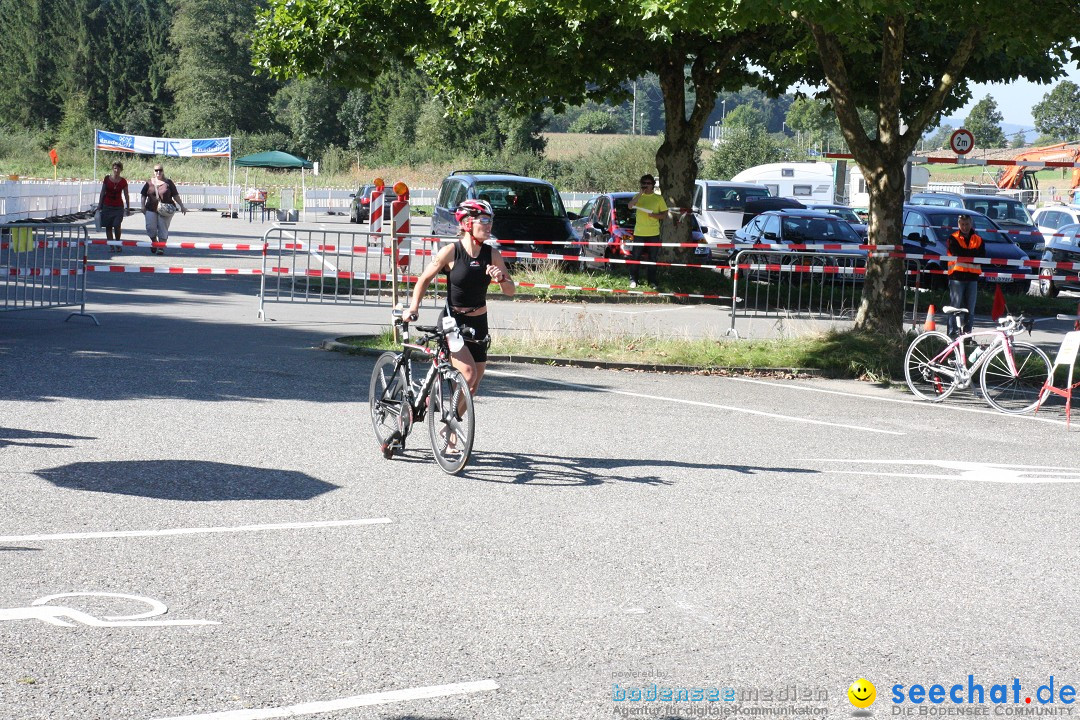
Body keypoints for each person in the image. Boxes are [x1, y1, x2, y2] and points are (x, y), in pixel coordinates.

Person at [404, 199, 514, 402]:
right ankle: (449, 423)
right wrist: (413, 307)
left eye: (490, 220)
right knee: (469, 375)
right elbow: (424, 279)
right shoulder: (451, 251)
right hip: (452, 321)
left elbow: (510, 291)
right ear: (466, 224)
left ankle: (448, 423)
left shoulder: (492, 254)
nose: (489, 225)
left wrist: (500, 278)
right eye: (483, 220)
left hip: (479, 323)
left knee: (473, 385)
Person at [946, 213, 985, 338]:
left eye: (967, 224)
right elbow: (957, 254)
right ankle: (952, 335)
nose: (965, 227)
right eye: (962, 224)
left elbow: (981, 256)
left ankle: (967, 336)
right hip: (957, 278)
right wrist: (972, 255)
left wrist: (966, 255)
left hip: (972, 278)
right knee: (954, 308)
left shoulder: (979, 239)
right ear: (958, 225)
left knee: (970, 309)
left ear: (971, 224)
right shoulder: (953, 238)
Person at [626, 173, 668, 288]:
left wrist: (654, 215)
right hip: (639, 232)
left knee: (652, 258)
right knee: (636, 257)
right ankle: (633, 280)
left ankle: (652, 281)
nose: (645, 185)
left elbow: (664, 215)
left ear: (653, 185)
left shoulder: (658, 198)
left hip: (653, 233)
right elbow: (630, 206)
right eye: (643, 183)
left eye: (648, 183)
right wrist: (640, 194)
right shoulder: (637, 196)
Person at [140, 164, 187, 255]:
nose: (158, 172)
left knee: (163, 228)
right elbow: (143, 195)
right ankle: (155, 242)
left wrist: (182, 206)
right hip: (150, 208)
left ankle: (161, 247)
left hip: (165, 209)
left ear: (163, 171)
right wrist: (142, 206)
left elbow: (175, 195)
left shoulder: (168, 183)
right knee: (150, 228)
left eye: (160, 170)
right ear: (153, 172)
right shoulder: (149, 183)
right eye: (156, 170)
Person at [98, 161, 130, 253]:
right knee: (108, 227)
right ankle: (111, 246)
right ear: (113, 169)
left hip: (118, 207)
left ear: (121, 170)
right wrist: (100, 205)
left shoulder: (123, 181)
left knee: (117, 225)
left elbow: (126, 194)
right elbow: (102, 192)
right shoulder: (107, 179)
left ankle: (117, 243)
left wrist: (128, 207)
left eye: (118, 168)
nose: (116, 170)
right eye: (115, 168)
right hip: (107, 206)